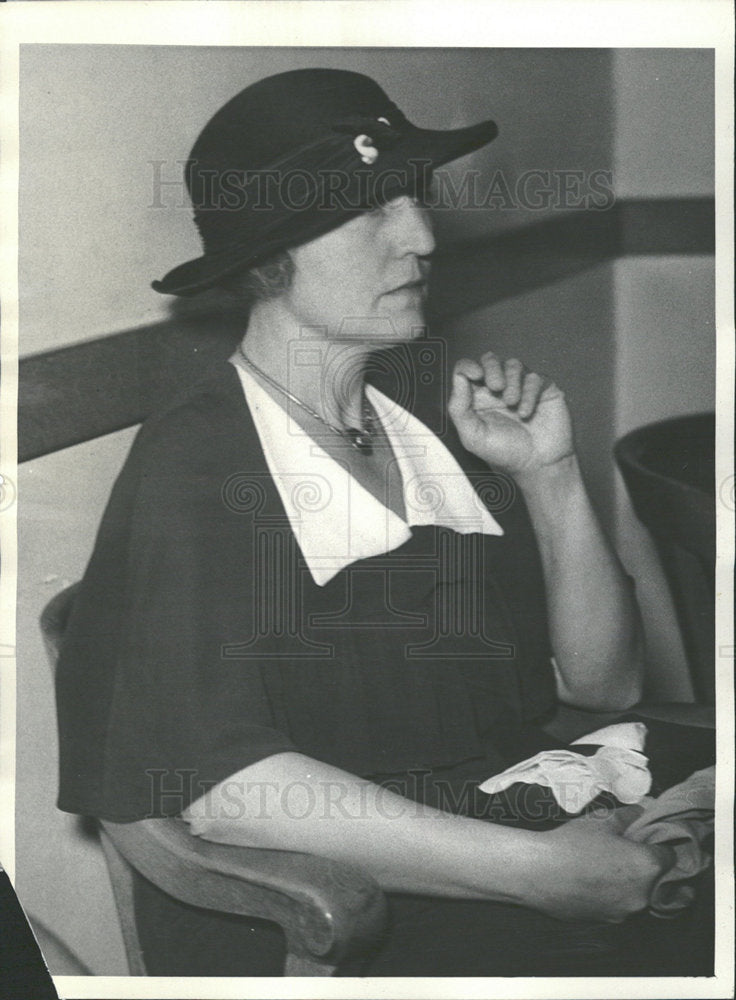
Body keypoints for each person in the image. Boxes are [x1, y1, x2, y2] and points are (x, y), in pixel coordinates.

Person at [55, 68, 713, 977]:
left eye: (414, 198)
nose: (422, 236)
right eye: (371, 209)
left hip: (512, 821)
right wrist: (537, 873)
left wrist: (553, 477)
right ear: (268, 254)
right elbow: (225, 790)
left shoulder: (421, 417)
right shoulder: (200, 464)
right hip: (359, 916)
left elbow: (604, 683)